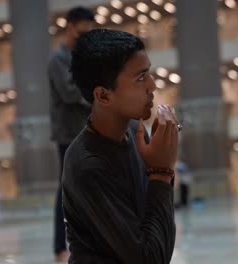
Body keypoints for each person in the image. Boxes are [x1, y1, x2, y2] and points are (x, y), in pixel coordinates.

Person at [62, 29, 178, 263]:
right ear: (103, 96)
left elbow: (158, 236)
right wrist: (162, 172)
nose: (152, 85)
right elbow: (149, 259)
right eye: (140, 77)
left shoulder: (134, 131)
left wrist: (161, 165)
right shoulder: (88, 165)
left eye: (149, 73)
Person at [47, 7, 95, 262]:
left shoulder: (82, 57)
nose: (83, 37)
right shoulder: (58, 61)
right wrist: (92, 93)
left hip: (85, 130)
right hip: (67, 134)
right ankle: (59, 248)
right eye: (80, 32)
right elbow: (69, 93)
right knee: (66, 190)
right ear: (69, 28)